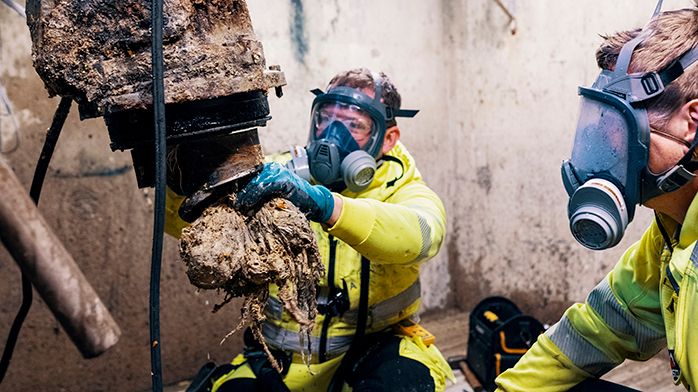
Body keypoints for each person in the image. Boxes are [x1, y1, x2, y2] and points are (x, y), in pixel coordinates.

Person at [192, 68, 453, 392]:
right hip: (280, 360)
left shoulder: (403, 187)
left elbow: (423, 236)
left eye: (354, 125)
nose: (332, 134)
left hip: (372, 352)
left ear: (387, 139)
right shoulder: (275, 177)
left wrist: (327, 206)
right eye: (325, 118)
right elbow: (187, 218)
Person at [495, 2, 698, 391]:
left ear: (691, 123)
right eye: (600, 121)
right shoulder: (672, 231)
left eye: (620, 123)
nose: (604, 143)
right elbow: (599, 326)